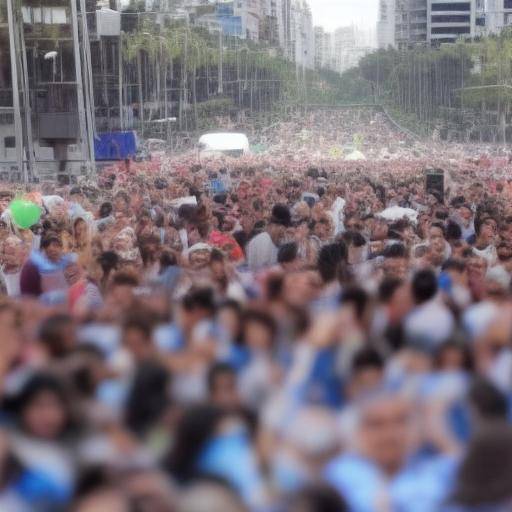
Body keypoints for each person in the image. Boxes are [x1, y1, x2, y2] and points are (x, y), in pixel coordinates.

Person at [246, 204, 291, 272]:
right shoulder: (264, 241)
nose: (283, 235)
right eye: (283, 230)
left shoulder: (271, 241)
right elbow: (263, 272)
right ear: (280, 227)